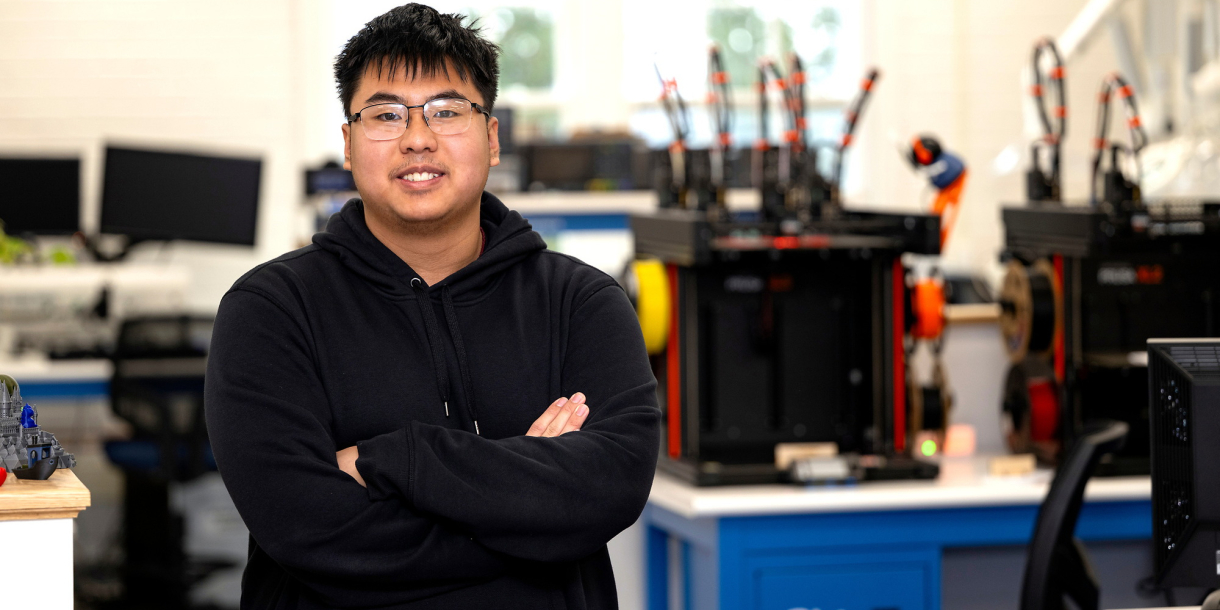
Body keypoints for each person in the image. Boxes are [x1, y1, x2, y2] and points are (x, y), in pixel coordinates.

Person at [203, 4, 660, 609]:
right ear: (347, 143)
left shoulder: (582, 303)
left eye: (447, 111)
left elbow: (612, 486)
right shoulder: (270, 312)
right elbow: (310, 529)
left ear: (492, 138)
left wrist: (395, 458)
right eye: (385, 115)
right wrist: (534, 509)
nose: (417, 138)